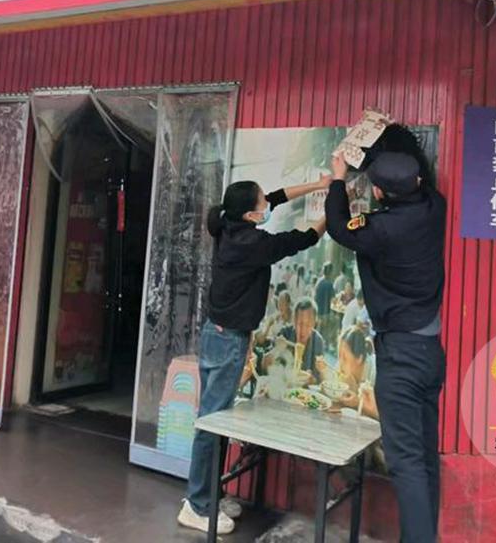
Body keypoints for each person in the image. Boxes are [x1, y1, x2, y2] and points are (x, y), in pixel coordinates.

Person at [179, 176, 330, 535]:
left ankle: (209, 495)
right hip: (226, 339)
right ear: (249, 215)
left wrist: (318, 184)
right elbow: (305, 238)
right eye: (261, 203)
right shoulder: (251, 244)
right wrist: (333, 208)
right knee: (211, 424)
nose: (268, 204)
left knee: (215, 420)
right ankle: (196, 505)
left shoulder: (227, 223)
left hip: (220, 334)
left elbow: (276, 196)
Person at [326, 151, 446, 543]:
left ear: (378, 193)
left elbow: (340, 227)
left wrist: (338, 178)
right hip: (430, 354)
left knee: (407, 464)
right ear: (417, 183)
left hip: (401, 358)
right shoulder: (434, 207)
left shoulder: (382, 229)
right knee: (424, 458)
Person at [265, 299, 327, 384]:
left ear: (314, 323)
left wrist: (312, 379)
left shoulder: (318, 341)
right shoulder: (285, 334)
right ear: (294, 321)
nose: (303, 330)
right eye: (300, 324)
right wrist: (276, 350)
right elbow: (264, 366)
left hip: (305, 390)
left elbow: (320, 380)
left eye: (308, 324)